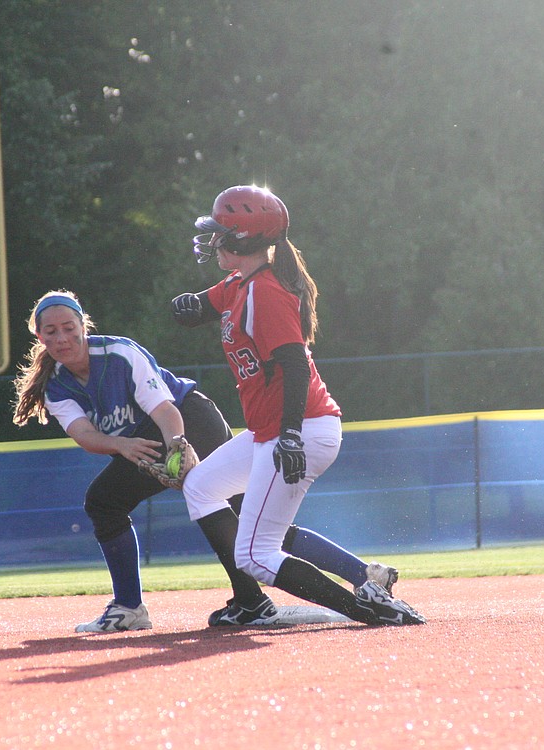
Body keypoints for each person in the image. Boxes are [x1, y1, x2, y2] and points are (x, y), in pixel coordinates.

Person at [12, 290, 397, 632]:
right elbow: (84, 435)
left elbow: (164, 411)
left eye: (68, 327)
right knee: (104, 502)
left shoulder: (118, 354)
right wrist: (122, 447)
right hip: (141, 441)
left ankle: (272, 597)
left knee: (249, 517)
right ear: (39, 336)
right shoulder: (56, 383)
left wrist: (178, 445)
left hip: (188, 420)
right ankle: (131, 607)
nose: (61, 338)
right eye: (51, 332)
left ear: (83, 325)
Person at [171, 185, 426, 626]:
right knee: (201, 486)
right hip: (276, 430)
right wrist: (192, 306)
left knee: (254, 553)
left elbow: (293, 365)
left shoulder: (263, 292)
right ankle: (290, 595)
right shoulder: (239, 284)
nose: (213, 240)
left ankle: (366, 608)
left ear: (244, 238)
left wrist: (289, 434)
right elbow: (207, 306)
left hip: (298, 429)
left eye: (221, 231)